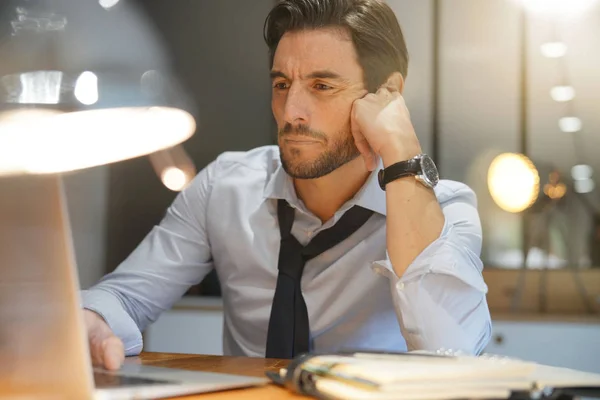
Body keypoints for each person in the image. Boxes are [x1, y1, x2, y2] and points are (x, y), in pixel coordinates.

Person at [83, 0, 491, 370]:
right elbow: (126, 296)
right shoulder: (225, 187)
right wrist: (94, 320)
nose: (291, 112)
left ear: (389, 94)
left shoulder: (446, 208)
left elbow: (452, 353)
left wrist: (402, 152)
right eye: (282, 85)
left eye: (322, 86)